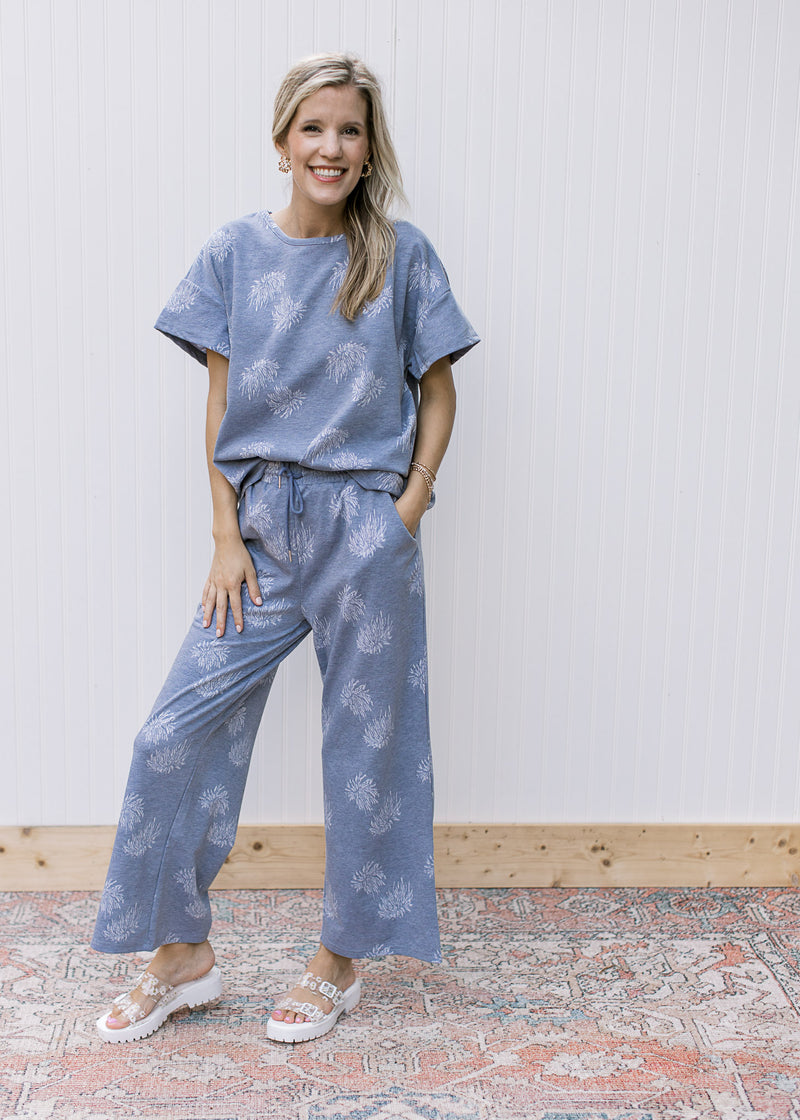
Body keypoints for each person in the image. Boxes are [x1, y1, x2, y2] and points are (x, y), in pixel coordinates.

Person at [91, 52, 479, 1045]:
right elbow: (220, 399)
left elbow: (437, 388)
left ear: (367, 148)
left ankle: (337, 959)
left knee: (368, 747)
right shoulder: (232, 253)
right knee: (170, 734)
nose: (331, 147)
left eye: (349, 131)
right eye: (314, 128)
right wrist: (224, 535)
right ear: (281, 142)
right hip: (261, 527)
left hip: (365, 525)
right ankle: (181, 956)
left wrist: (409, 506)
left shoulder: (399, 255)